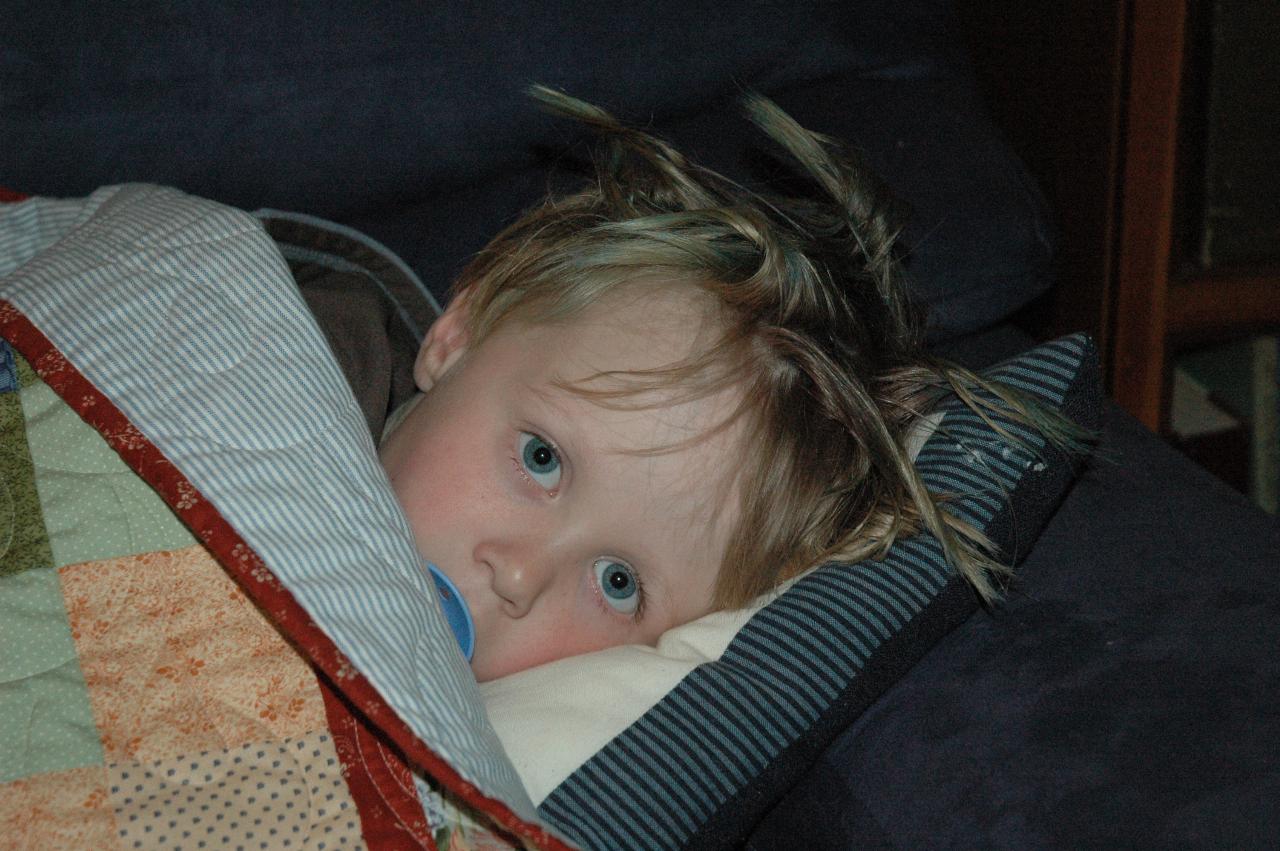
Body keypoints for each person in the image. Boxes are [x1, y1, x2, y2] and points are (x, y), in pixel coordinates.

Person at [378, 86, 1080, 682]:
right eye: (542, 457)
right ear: (456, 336)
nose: (520, 578)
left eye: (618, 583)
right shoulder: (290, 354)